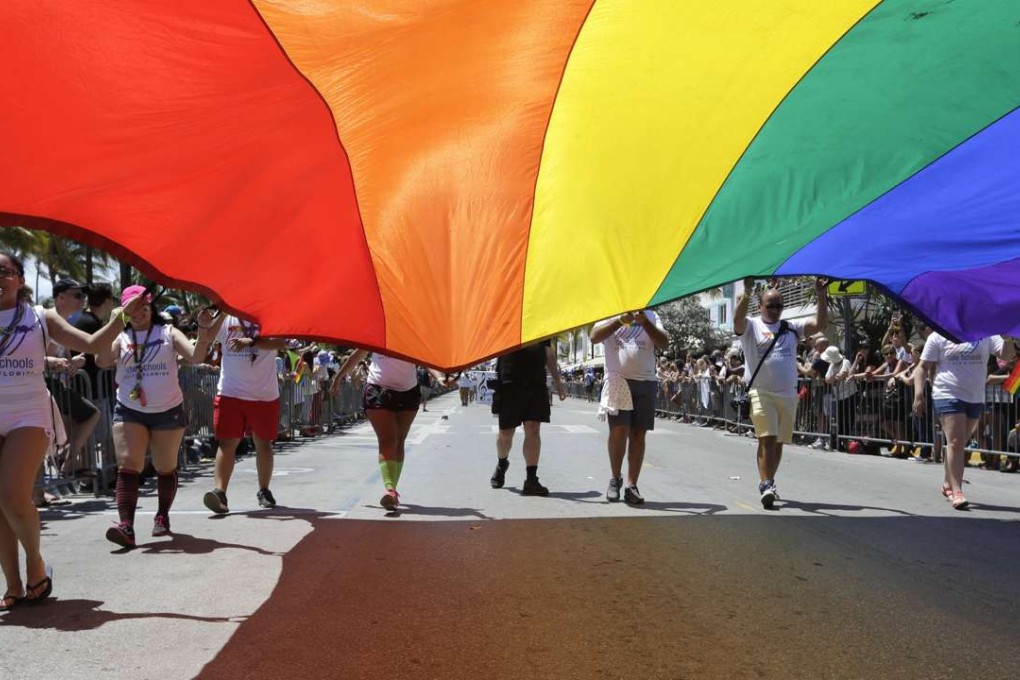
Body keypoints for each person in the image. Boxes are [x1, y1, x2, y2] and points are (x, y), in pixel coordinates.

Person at [0, 252, 145, 610]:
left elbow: (93, 346)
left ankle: (34, 560)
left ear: (20, 278)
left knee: (12, 496)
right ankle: (13, 584)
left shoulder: (41, 317)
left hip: (28, 415)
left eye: (3, 271)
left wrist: (119, 318)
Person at [97, 285, 224, 547]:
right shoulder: (119, 336)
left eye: (144, 306)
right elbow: (101, 361)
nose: (139, 312)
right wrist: (109, 327)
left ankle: (162, 515)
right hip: (129, 408)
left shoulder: (167, 332)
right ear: (124, 310)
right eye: (132, 308)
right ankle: (126, 526)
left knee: (165, 467)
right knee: (128, 463)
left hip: (167, 409)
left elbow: (196, 356)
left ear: (151, 307)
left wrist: (202, 330)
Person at [733, 277, 828, 509]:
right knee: (766, 438)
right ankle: (766, 483)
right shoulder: (752, 325)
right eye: (770, 305)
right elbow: (736, 321)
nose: (774, 310)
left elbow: (820, 324)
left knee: (778, 442)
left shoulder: (791, 327)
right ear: (760, 307)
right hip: (760, 392)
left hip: (787, 394)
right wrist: (746, 293)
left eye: (778, 306)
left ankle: (769, 481)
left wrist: (821, 294)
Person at [331, 351, 452, 511]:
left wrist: (439, 377)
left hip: (408, 392)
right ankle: (390, 490)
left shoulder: (412, 334)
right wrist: (339, 377)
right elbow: (357, 355)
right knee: (388, 439)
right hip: (377, 389)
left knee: (399, 441)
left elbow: (425, 358)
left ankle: (392, 489)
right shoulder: (375, 331)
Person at [913, 332, 1015, 509]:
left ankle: (947, 483)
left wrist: (1007, 338)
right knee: (956, 442)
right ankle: (957, 491)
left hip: (975, 396)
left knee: (959, 443)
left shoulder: (987, 333)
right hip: (947, 393)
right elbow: (922, 367)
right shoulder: (939, 335)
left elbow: (1007, 356)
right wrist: (918, 394)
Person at [201, 314, 288, 515]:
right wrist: (221, 311)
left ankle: (264, 490)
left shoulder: (268, 316)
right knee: (227, 443)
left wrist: (252, 341)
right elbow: (208, 337)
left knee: (263, 443)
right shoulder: (226, 318)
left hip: (263, 394)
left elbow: (281, 342)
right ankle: (220, 492)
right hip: (231, 391)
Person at [590, 309, 669, 505]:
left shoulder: (651, 315)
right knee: (619, 431)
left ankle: (631, 485)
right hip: (618, 380)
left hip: (646, 382)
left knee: (638, 434)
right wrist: (619, 320)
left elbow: (664, 342)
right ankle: (615, 478)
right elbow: (594, 336)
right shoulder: (610, 312)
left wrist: (645, 322)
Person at [489, 340, 567, 495]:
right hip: (509, 381)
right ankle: (502, 463)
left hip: (536, 381)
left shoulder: (539, 321)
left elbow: (548, 352)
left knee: (533, 429)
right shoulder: (506, 319)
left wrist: (558, 382)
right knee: (506, 434)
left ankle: (531, 480)